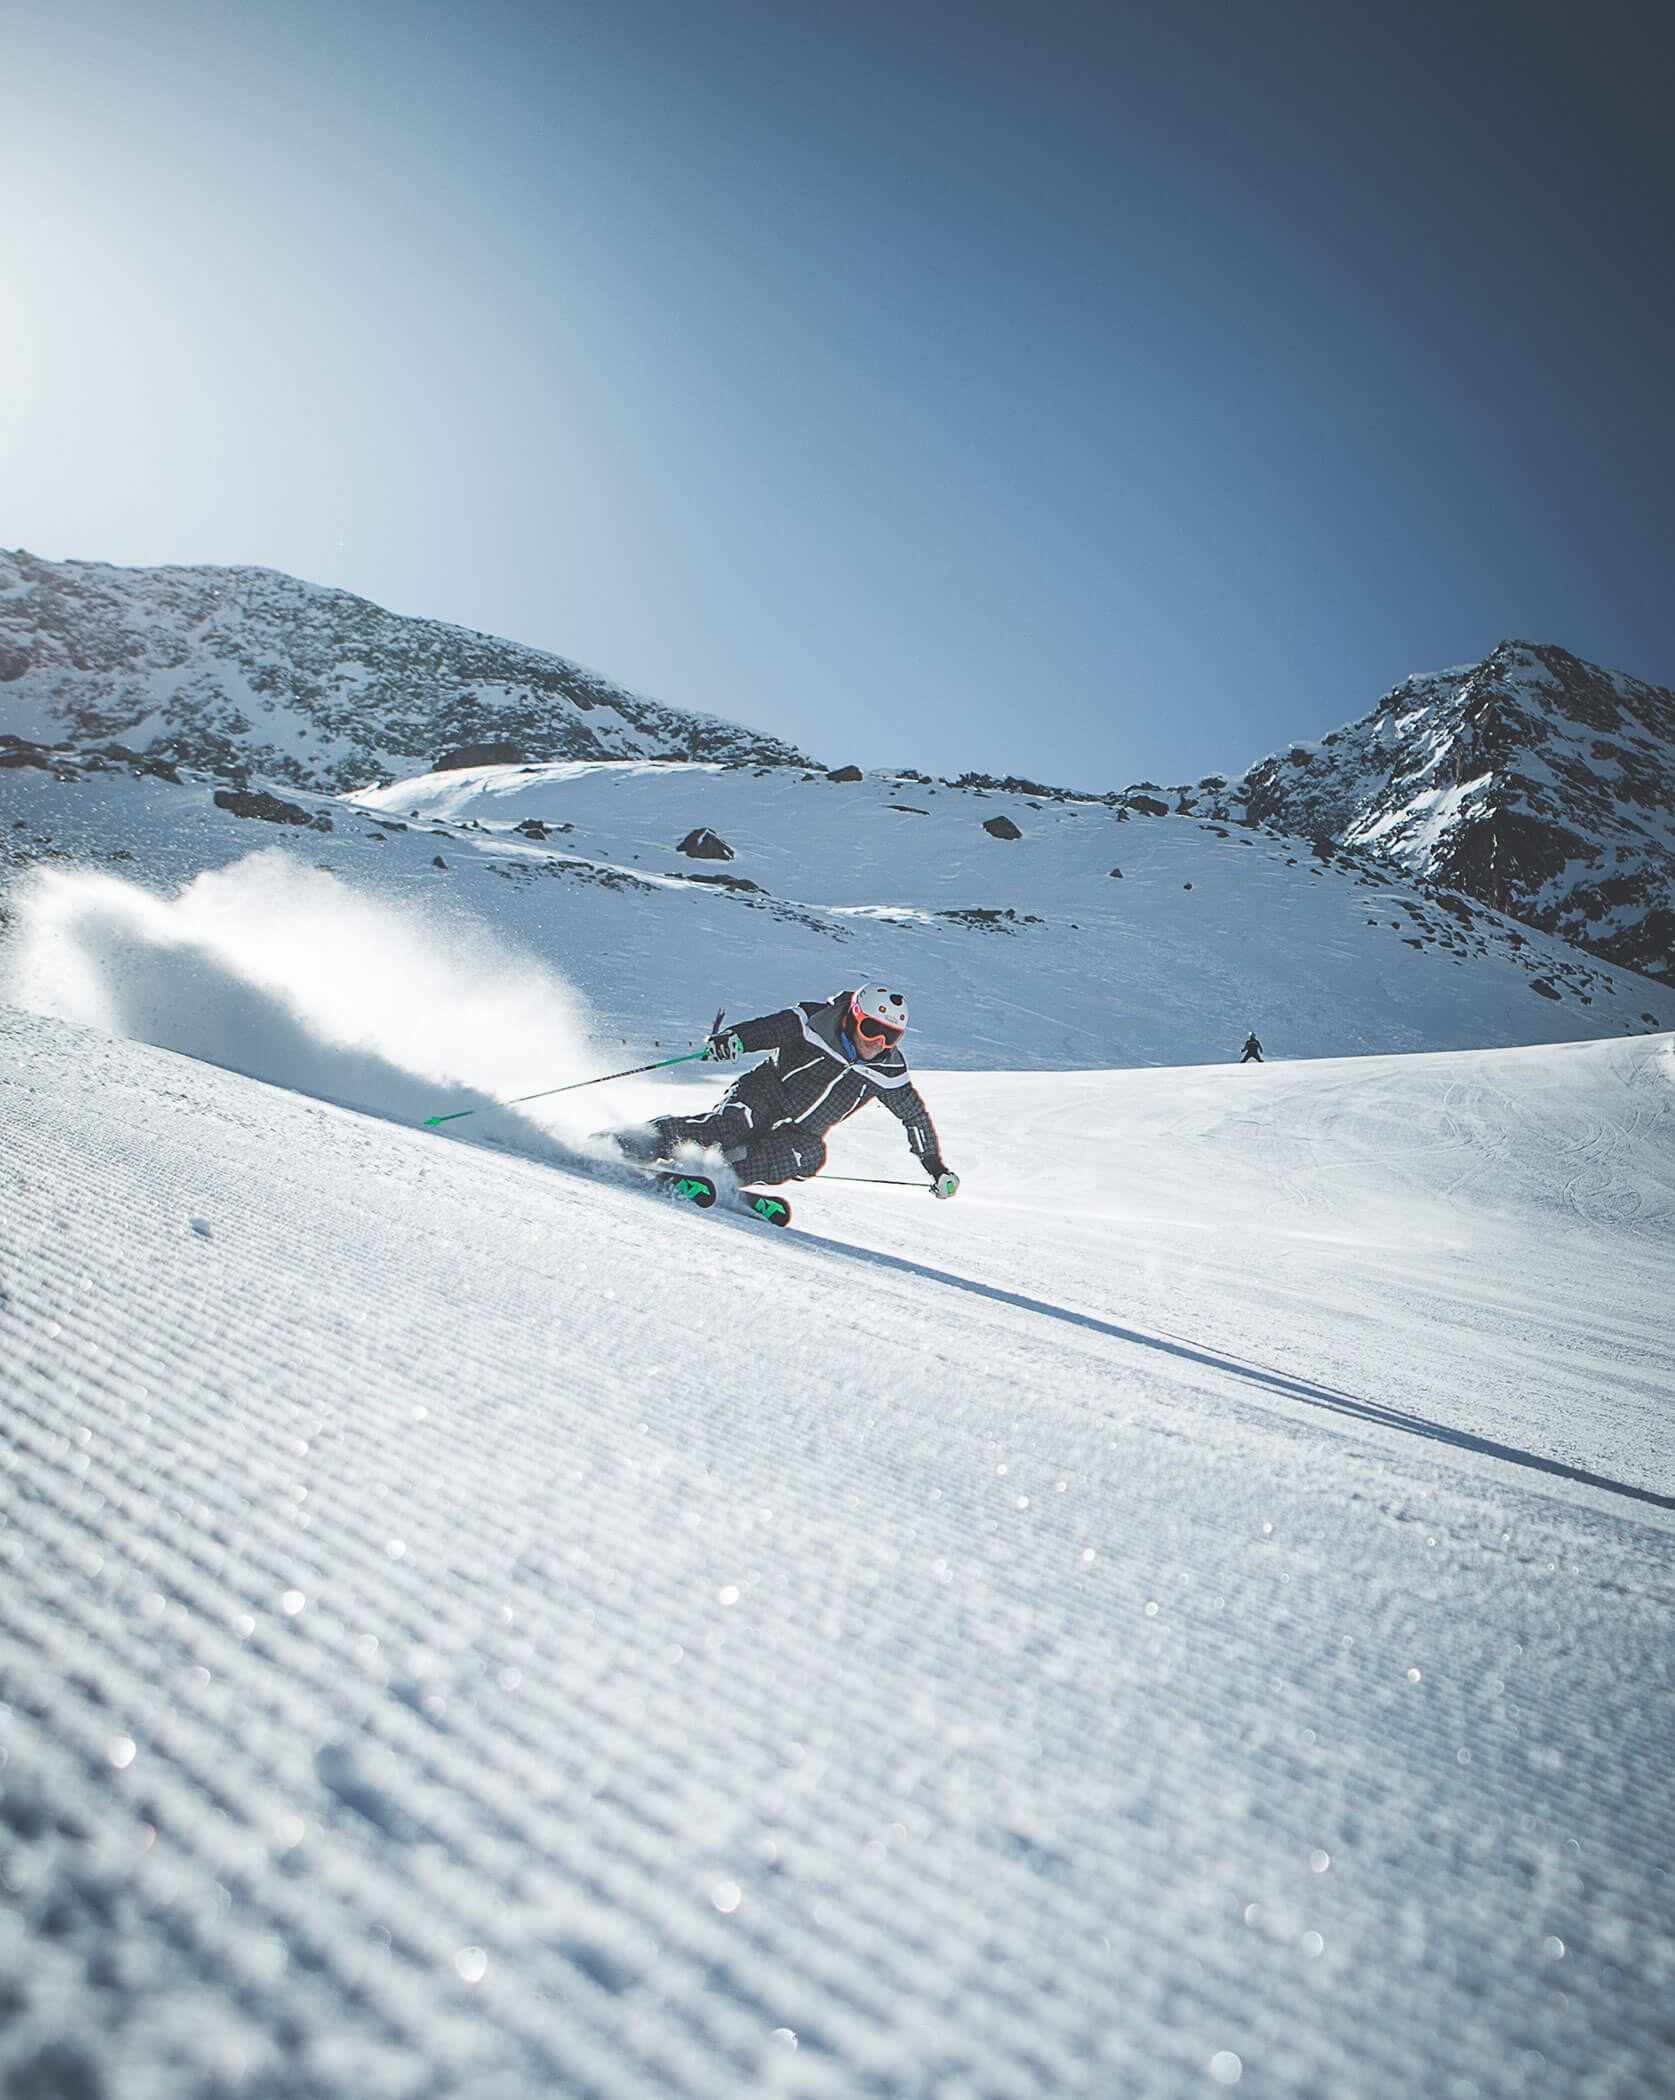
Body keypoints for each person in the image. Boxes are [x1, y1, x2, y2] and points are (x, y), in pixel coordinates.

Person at [616, 984, 959, 1196]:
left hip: (802, 1130)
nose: (878, 1043)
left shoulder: (887, 1071)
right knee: (732, 1127)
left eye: (890, 1036)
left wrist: (935, 1167)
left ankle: (715, 1177)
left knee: (808, 1156)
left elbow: (914, 1117)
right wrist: (734, 1039)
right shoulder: (815, 1022)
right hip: (764, 1093)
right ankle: (633, 1142)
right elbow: (770, 1029)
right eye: (871, 1029)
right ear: (854, 1017)